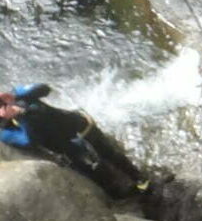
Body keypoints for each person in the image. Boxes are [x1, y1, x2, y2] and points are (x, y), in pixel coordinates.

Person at [0, 84, 149, 196]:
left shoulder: (18, 96)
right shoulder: (4, 131)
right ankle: (118, 193)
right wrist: (20, 115)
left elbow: (45, 89)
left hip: (78, 125)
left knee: (109, 153)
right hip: (67, 147)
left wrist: (15, 97)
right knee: (95, 172)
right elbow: (29, 141)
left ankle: (138, 178)